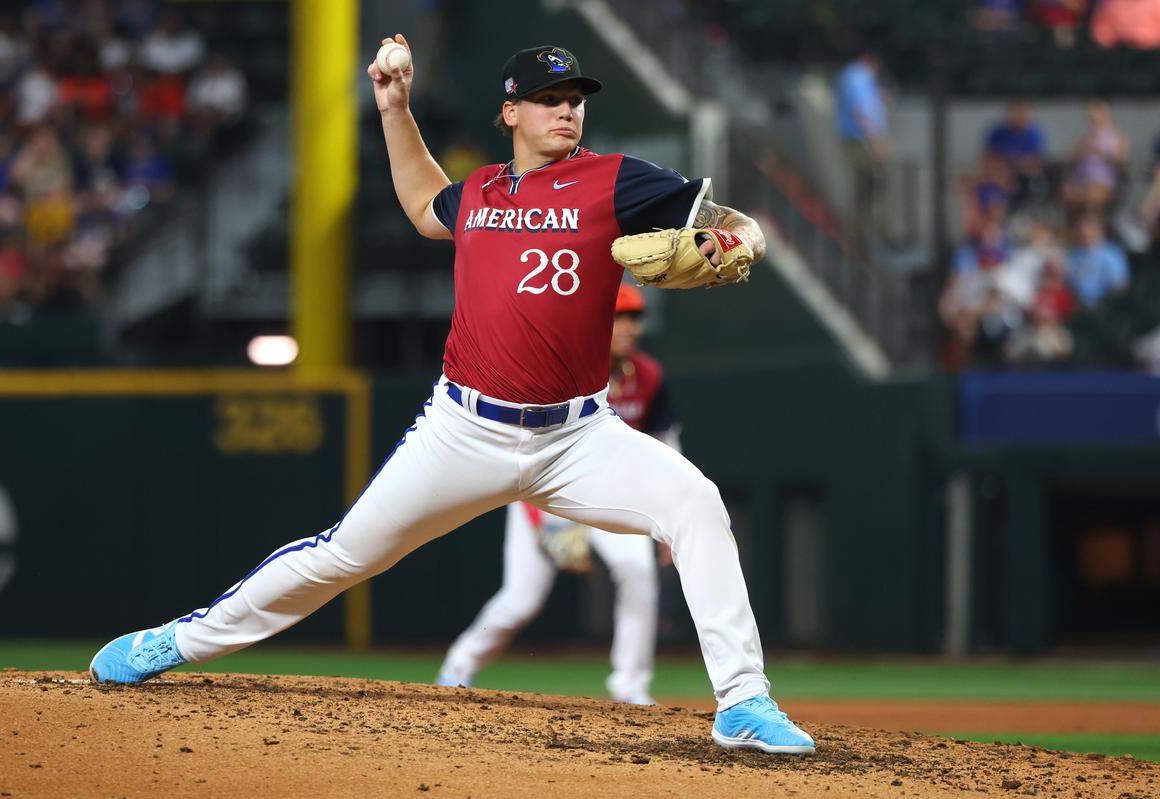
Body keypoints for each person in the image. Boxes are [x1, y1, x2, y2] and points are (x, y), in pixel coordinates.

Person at [88, 37, 815, 756]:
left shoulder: (616, 180)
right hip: (463, 429)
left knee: (697, 503)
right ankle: (177, 639)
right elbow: (418, 203)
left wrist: (740, 241)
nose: (566, 112)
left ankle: (743, 701)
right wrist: (394, 105)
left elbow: (731, 222)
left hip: (576, 437)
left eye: (574, 100)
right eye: (547, 99)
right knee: (343, 555)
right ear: (510, 112)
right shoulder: (478, 193)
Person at [437, 284, 675, 706]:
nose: (629, 328)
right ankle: (460, 663)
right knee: (520, 601)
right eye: (620, 317)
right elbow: (528, 447)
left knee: (636, 570)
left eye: (634, 319)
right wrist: (544, 519)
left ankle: (630, 685)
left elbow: (665, 445)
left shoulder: (650, 375)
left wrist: (670, 514)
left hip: (609, 492)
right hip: (542, 489)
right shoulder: (567, 368)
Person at [835, 50, 893, 252]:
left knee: (869, 188)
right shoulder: (857, 76)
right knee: (868, 186)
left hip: (863, 139)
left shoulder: (860, 78)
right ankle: (860, 238)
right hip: (861, 141)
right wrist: (875, 140)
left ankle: (864, 236)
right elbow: (860, 110)